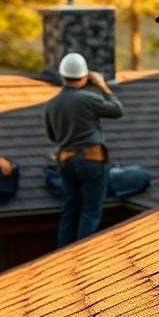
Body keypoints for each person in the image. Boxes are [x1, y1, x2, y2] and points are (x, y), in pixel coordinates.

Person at [44, 52, 124, 247]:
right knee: (90, 212)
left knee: (70, 210)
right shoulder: (88, 98)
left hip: (67, 163)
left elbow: (53, 137)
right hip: (91, 161)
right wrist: (102, 85)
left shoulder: (51, 104)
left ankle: (61, 255)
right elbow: (117, 110)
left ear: (62, 76)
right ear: (84, 76)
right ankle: (81, 254)